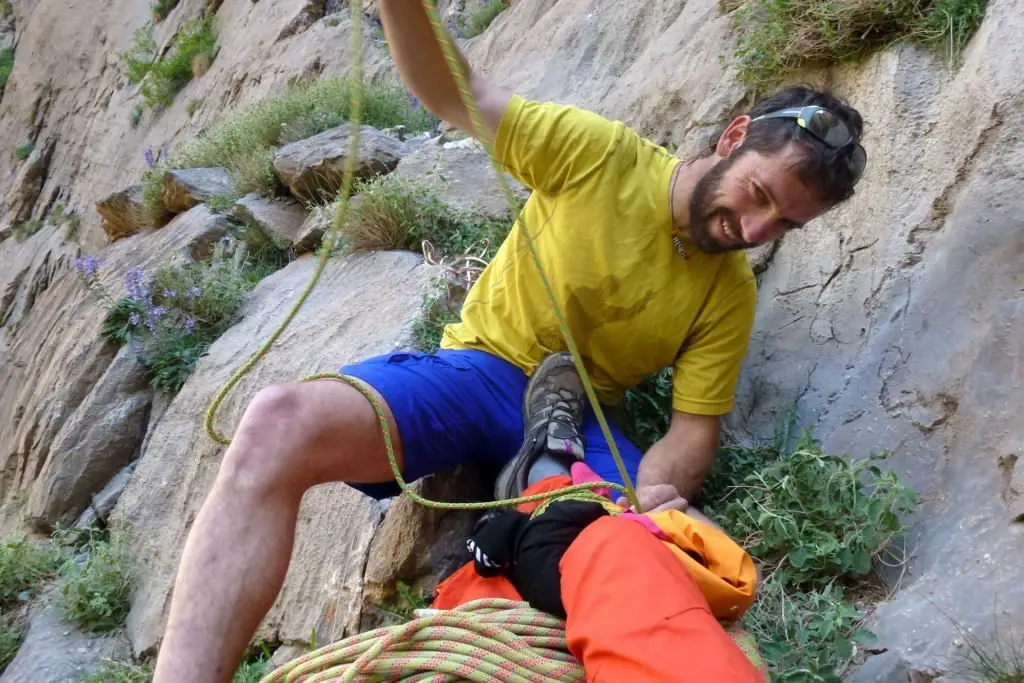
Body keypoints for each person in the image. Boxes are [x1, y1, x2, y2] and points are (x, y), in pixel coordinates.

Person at [152, 1, 866, 680]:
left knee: (639, 553)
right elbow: (462, 96)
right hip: (480, 372)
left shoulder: (728, 289)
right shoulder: (605, 158)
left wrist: (655, 489)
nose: (754, 232)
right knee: (277, 423)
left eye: (784, 226)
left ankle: (508, 568)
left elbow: (693, 425)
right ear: (733, 138)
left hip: (583, 423)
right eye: (760, 197)